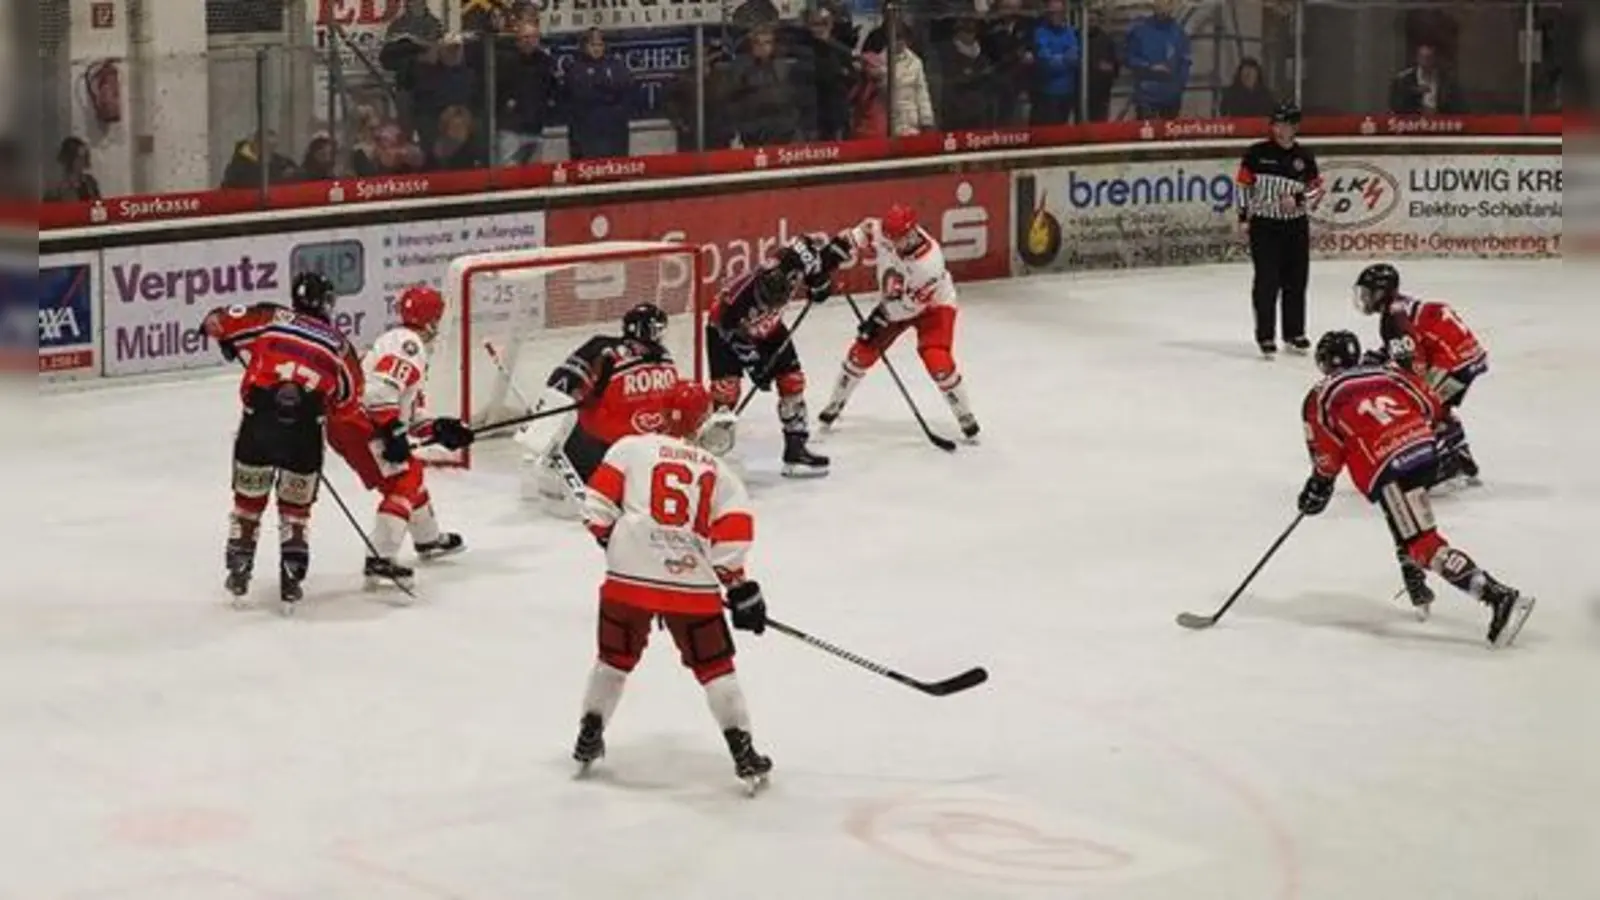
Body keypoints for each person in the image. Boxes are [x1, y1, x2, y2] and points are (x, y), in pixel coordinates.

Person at [572, 379, 774, 793]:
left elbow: (594, 508)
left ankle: (588, 735)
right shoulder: (720, 471)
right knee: (716, 667)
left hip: (626, 581)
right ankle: (743, 752)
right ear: (703, 420)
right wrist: (738, 588)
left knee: (613, 660)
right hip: (692, 586)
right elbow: (733, 537)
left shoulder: (629, 447)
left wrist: (622, 547)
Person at [1298, 331, 1533, 647]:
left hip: (1388, 464)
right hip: (1424, 452)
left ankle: (1498, 596)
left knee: (1422, 542)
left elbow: (1328, 455)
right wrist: (1408, 433)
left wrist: (1318, 487)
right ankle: (1415, 580)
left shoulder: (1319, 396)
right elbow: (1431, 404)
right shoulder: (1388, 372)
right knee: (1406, 520)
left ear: (1324, 362)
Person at [199, 273, 364, 608]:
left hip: (258, 423)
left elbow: (213, 321)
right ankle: (291, 576)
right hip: (304, 433)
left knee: (247, 504)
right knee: (295, 511)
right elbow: (348, 401)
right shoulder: (340, 345)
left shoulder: (269, 317)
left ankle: (239, 569)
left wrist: (226, 340)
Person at [325, 285, 473, 589]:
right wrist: (392, 431)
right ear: (431, 320)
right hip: (360, 424)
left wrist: (440, 429)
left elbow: (406, 411)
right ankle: (380, 557)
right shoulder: (410, 345)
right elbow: (380, 392)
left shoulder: (397, 340)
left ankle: (428, 538)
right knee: (404, 480)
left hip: (354, 422)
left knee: (408, 475)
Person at [818, 204, 979, 440]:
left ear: (912, 232)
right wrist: (839, 249)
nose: (894, 243)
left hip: (933, 307)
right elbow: (863, 232)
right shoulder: (886, 231)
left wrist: (878, 319)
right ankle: (835, 404)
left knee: (937, 359)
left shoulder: (929, 263)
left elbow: (908, 307)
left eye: (900, 238)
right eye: (891, 237)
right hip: (894, 303)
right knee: (860, 353)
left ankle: (964, 414)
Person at [701, 233, 853, 477]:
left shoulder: (793, 261)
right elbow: (732, 334)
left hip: (770, 329)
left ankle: (796, 450)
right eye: (765, 303)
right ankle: (705, 455)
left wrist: (822, 281)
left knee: (792, 381)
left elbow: (816, 267)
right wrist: (756, 367)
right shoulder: (736, 301)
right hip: (724, 333)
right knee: (726, 394)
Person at [514, 303, 683, 516]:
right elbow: (561, 383)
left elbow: (560, 384)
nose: (660, 335)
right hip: (622, 450)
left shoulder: (656, 357)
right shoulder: (613, 351)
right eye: (656, 329)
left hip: (629, 450)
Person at [1352, 263, 1487, 483]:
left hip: (1454, 365)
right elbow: (1415, 339)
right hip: (1469, 358)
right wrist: (1384, 355)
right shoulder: (1401, 306)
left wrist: (1398, 378)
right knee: (1439, 406)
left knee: (1420, 404)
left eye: (1368, 293)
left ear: (1381, 292)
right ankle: (1460, 454)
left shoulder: (1392, 319)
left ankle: (1447, 463)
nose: (1365, 299)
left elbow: (1415, 366)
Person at [1234, 102, 1320, 358]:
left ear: (1295, 127)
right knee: (1267, 281)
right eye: (1276, 124)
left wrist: (1299, 200)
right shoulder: (1257, 153)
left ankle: (1294, 332)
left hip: (1295, 226)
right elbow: (1243, 186)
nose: (1278, 129)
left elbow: (1317, 189)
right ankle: (1265, 334)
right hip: (1265, 225)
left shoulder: (1305, 157)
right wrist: (1243, 217)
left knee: (1296, 280)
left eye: (1284, 124)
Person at [1124, 0, 1191, 119]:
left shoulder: (1179, 33)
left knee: (1169, 135)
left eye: (1168, 2)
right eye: (1160, 2)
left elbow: (1185, 61)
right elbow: (1130, 58)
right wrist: (1150, 67)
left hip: (1172, 97)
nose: (1163, 5)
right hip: (1146, 97)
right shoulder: (1140, 31)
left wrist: (1180, 86)